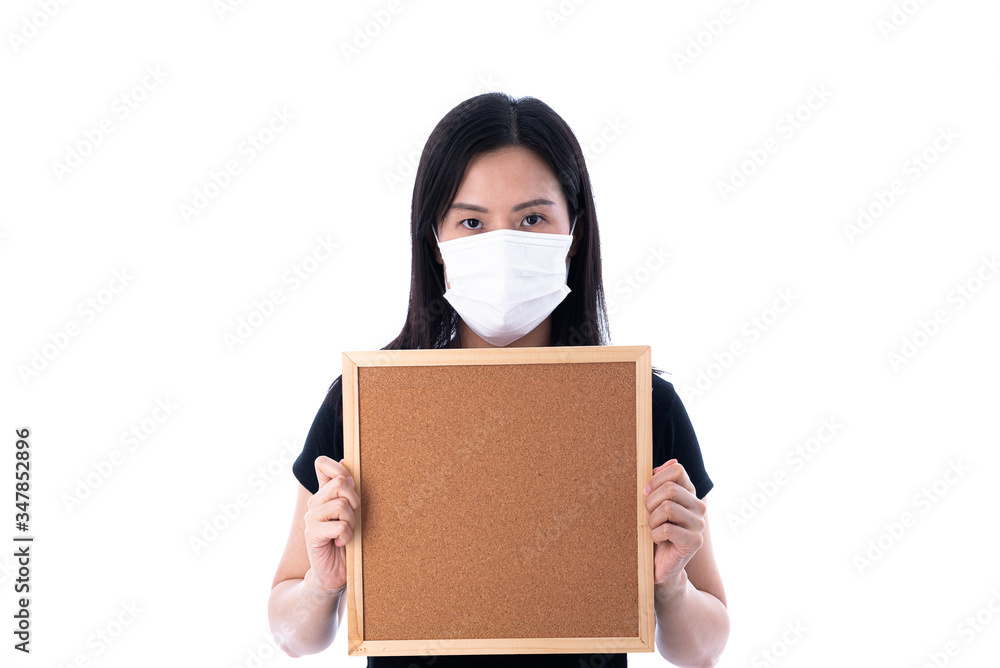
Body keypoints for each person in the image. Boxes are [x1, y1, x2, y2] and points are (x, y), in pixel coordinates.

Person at [268, 92, 730, 667]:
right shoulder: (366, 403)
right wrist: (322, 583)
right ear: (435, 242)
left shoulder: (642, 404)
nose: (503, 244)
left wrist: (671, 584)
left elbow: (704, 651)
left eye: (532, 218)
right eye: (471, 222)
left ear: (574, 233)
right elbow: (292, 637)